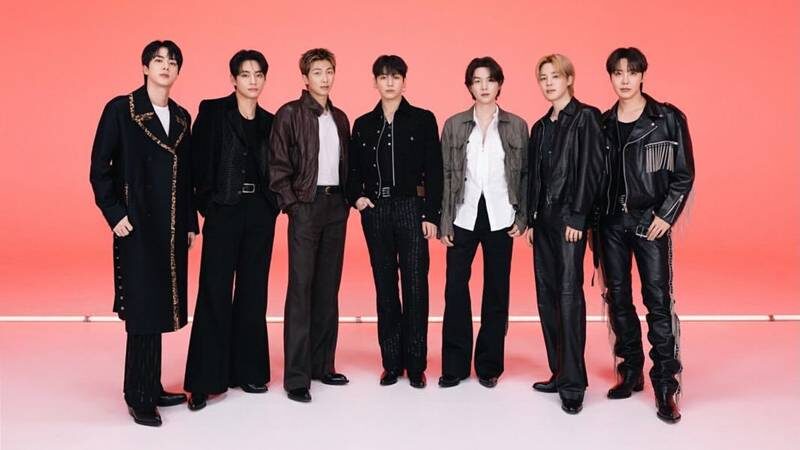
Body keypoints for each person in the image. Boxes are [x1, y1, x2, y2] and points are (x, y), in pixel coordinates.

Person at [89, 40, 197, 426]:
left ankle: (151, 384)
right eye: (158, 60)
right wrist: (114, 213)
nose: (166, 66)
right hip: (136, 224)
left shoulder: (181, 117)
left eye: (172, 62)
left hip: (171, 226)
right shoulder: (122, 109)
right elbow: (99, 167)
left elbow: (186, 176)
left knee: (161, 305)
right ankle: (137, 395)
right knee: (141, 307)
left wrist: (190, 222)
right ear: (145, 67)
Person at [598, 47, 694, 423]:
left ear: (642, 75)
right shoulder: (603, 123)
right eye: (618, 73)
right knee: (618, 299)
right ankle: (631, 370)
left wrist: (665, 216)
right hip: (610, 224)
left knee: (658, 301)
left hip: (649, 222)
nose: (624, 80)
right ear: (611, 77)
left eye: (631, 72)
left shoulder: (666, 118)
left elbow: (683, 175)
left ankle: (666, 385)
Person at [184, 50, 278, 410]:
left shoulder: (270, 121)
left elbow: (279, 165)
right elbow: (196, 162)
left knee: (254, 291)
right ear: (233, 79)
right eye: (245, 74)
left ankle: (248, 371)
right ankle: (205, 380)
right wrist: (207, 204)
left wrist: (272, 205)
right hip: (223, 211)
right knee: (214, 290)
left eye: (258, 75)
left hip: (260, 213)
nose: (253, 81)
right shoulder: (212, 112)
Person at [346, 55, 442, 388]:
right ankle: (391, 363)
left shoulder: (423, 119)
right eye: (383, 77)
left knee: (416, 285)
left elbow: (435, 170)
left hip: (412, 208)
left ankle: (415, 365)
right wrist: (358, 198)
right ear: (374, 82)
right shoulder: (363, 124)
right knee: (385, 287)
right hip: (376, 211)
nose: (389, 82)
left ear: (404, 81)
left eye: (395, 77)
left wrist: (431, 215)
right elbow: (352, 168)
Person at [438, 56, 529, 389]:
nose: (484, 86)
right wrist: (444, 220)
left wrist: (522, 216)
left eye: (490, 80)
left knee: (496, 290)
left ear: (499, 84)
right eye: (477, 81)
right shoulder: (454, 124)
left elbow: (525, 175)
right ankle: (455, 366)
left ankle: (489, 366)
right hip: (463, 214)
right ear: (469, 86)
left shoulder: (517, 125)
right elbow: (445, 175)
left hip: (501, 215)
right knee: (455, 289)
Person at [269, 48, 351, 403]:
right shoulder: (290, 114)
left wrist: (345, 201)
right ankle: (297, 377)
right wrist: (294, 206)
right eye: (317, 72)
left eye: (329, 71)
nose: (324, 78)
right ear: (305, 78)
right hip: (306, 204)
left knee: (328, 287)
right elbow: (277, 165)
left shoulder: (341, 117)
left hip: (336, 206)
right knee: (301, 288)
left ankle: (323, 365)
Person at [523, 54, 604, 414]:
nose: (549, 83)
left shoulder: (586, 117)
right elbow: (534, 177)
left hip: (570, 219)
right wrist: (530, 219)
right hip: (543, 221)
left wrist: (578, 216)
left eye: (555, 76)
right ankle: (558, 372)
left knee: (569, 297)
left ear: (569, 78)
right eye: (543, 78)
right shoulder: (540, 127)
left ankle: (573, 384)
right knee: (547, 296)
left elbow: (590, 170)